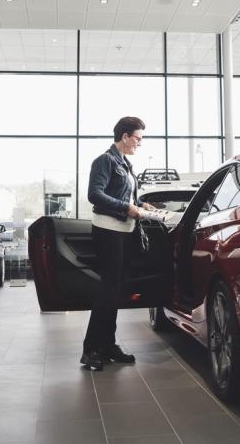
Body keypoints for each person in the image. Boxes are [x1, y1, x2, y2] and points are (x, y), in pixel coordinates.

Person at [81, 116, 154, 371]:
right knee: (108, 291)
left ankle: (108, 345)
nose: (140, 143)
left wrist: (142, 205)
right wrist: (127, 207)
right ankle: (91, 349)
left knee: (116, 292)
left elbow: (129, 195)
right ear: (125, 136)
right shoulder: (105, 161)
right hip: (109, 231)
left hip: (125, 232)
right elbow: (95, 194)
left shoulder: (126, 164)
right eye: (138, 138)